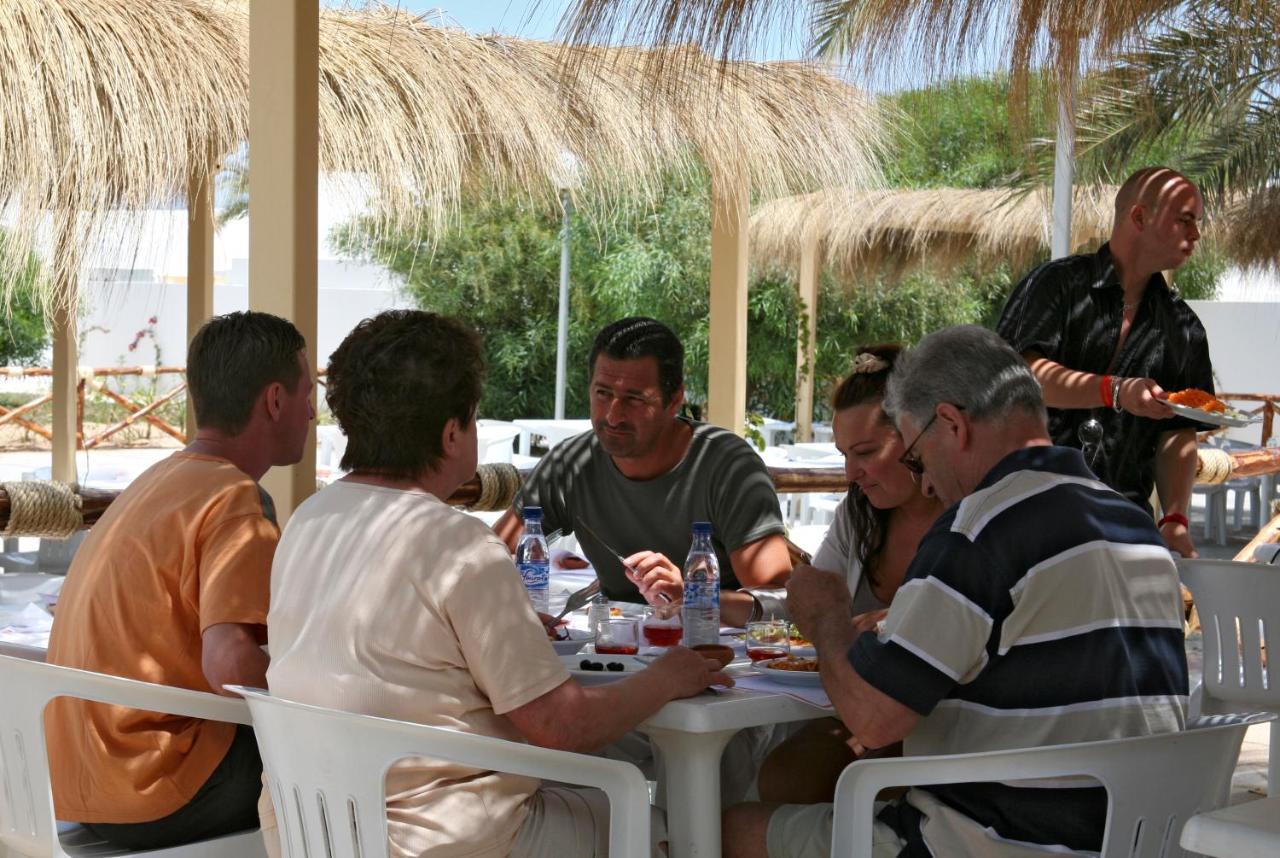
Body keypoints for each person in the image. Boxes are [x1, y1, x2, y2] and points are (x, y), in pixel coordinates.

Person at [267, 310, 730, 858]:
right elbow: (564, 727)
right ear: (451, 432)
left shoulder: (308, 520)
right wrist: (670, 677)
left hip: (317, 831)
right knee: (662, 828)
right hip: (446, 840)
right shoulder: (459, 544)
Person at [724, 325, 1188, 858]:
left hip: (1000, 842)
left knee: (726, 830)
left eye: (917, 458)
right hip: (1134, 840)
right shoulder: (1134, 523)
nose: (923, 484)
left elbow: (873, 719)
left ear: (951, 424)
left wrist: (827, 619)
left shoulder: (981, 527)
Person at [45, 311, 314, 850]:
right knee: (356, 768)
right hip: (158, 789)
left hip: (76, 784)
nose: (313, 413)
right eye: (310, 393)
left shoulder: (154, 482)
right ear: (275, 400)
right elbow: (232, 665)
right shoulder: (237, 499)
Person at [727, 345, 945, 806]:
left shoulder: (966, 516)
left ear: (917, 435)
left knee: (781, 782)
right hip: (860, 712)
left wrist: (891, 618)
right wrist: (711, 601)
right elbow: (808, 606)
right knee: (771, 776)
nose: (851, 472)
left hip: (944, 723)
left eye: (865, 452)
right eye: (844, 453)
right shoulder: (861, 514)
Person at [996, 166, 1214, 558]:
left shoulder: (1184, 327)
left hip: (1123, 529)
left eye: (1196, 222)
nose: (1196, 234)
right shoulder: (1057, 284)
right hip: (1026, 516)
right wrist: (1114, 391)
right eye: (1185, 220)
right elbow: (1021, 379)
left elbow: (1177, 432)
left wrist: (1176, 519)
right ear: (1139, 217)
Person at [495, 316, 791, 603]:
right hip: (612, 648)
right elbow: (486, 558)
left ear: (674, 400)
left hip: (719, 647)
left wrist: (692, 597)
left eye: (634, 399)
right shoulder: (571, 464)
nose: (612, 415)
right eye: (602, 393)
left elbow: (779, 600)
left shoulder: (727, 467)